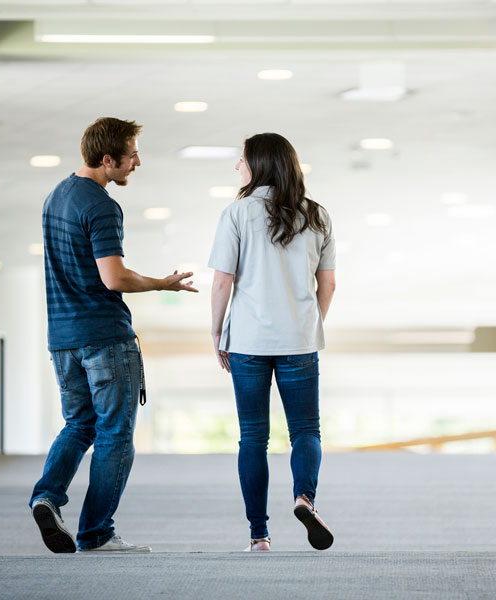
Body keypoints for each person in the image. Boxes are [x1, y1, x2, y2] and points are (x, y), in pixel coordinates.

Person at [30, 117, 198, 554]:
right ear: (108, 160)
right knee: (115, 435)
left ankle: (46, 497)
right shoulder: (101, 205)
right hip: (104, 336)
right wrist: (163, 284)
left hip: (62, 338)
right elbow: (114, 277)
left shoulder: (56, 196)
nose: (137, 162)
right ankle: (97, 533)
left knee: (78, 424)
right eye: (131, 155)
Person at [208, 133, 336, 552]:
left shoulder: (237, 213)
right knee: (305, 430)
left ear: (259, 164)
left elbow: (223, 280)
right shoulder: (317, 216)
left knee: (252, 437)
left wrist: (216, 330)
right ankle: (304, 498)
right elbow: (328, 283)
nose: (237, 167)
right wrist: (308, 323)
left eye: (241, 159)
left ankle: (259, 535)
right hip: (298, 338)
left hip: (247, 339)